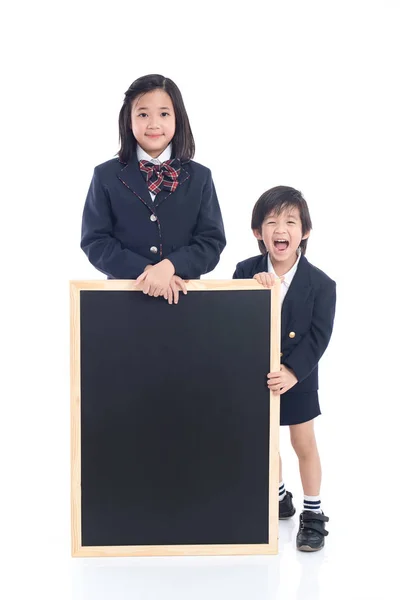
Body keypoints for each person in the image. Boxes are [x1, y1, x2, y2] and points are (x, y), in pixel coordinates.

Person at [233, 185, 336, 551]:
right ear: (258, 232)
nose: (281, 229)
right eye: (272, 221)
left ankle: (312, 513)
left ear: (304, 232)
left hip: (300, 375)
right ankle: (279, 497)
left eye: (291, 221)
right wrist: (258, 291)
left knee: (302, 441)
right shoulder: (245, 271)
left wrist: (293, 372)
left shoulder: (322, 284)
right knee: (265, 440)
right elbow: (232, 323)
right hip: (257, 374)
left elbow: (319, 337)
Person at [81, 74, 226, 304]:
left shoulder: (200, 177)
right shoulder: (105, 175)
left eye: (164, 114)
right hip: (124, 301)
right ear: (128, 120)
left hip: (185, 300)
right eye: (143, 114)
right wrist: (147, 271)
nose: (154, 124)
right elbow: (95, 241)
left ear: (178, 118)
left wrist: (170, 266)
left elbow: (211, 242)